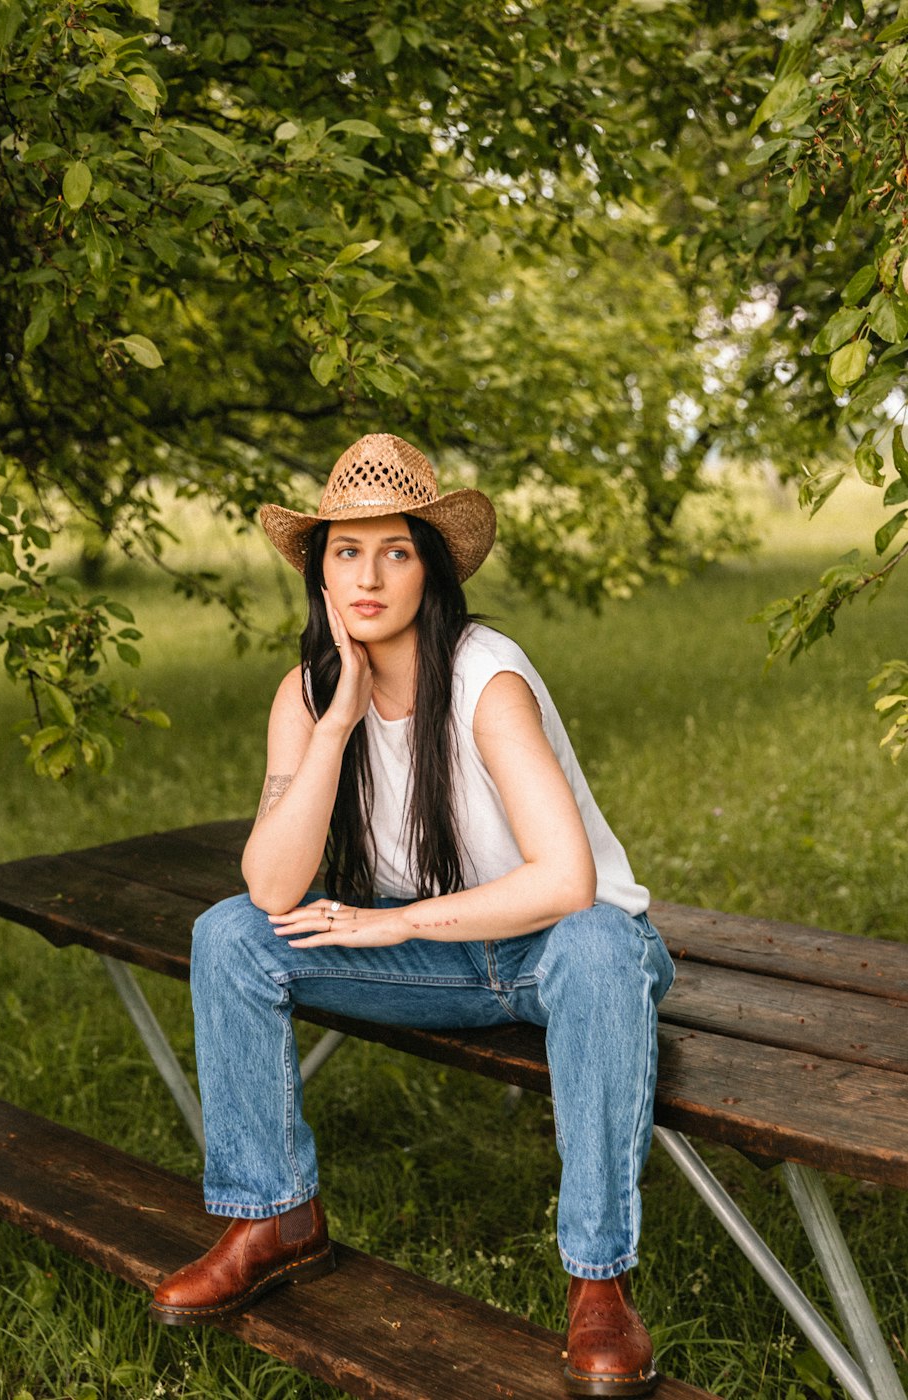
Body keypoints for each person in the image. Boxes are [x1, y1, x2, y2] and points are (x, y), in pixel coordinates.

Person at [150, 433, 675, 1396]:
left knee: (601, 943)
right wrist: (337, 720)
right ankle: (273, 1216)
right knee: (229, 933)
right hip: (443, 958)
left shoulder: (488, 678)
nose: (369, 576)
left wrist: (394, 924)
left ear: (429, 568)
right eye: (346, 552)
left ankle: (600, 1282)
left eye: (396, 550)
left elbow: (565, 880)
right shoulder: (308, 694)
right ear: (318, 569)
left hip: (558, 949)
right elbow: (271, 887)